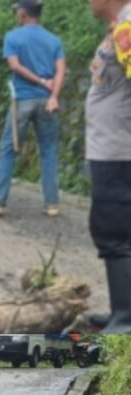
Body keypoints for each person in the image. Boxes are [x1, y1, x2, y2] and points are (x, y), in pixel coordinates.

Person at [0, 0, 66, 218]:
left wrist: (40, 81)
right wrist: (54, 96)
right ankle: (52, 204)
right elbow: (60, 71)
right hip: (46, 103)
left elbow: (14, 66)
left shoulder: (13, 37)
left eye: (17, 11)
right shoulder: (54, 40)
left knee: (9, 150)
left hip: (21, 100)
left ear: (23, 13)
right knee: (49, 151)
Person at [85, 0, 131, 333]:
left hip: (119, 152)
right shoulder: (119, 27)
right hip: (110, 149)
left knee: (113, 232)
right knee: (117, 230)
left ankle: (125, 319)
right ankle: (120, 309)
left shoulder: (128, 27)